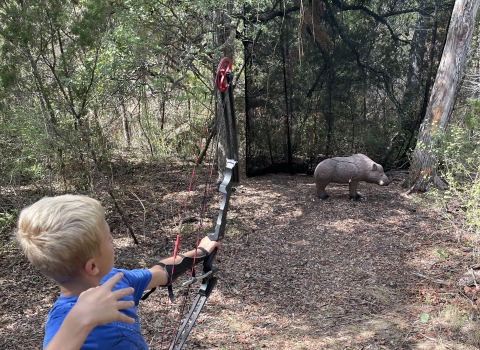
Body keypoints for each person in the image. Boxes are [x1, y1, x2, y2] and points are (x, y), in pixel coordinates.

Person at [16, 194, 221, 349]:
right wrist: (79, 320)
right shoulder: (63, 321)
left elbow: (161, 273)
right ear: (93, 266)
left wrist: (201, 252)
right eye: (110, 240)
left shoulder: (115, 280)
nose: (113, 244)